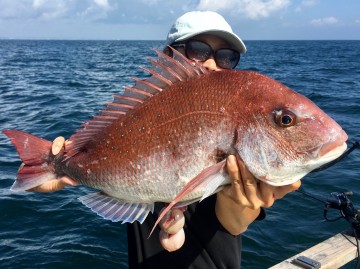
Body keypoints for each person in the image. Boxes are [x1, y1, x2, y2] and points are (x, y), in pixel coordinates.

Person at [28, 11, 301, 268]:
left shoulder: (237, 129)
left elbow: (235, 223)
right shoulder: (138, 115)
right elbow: (42, 177)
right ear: (169, 55)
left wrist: (244, 202)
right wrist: (56, 169)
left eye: (226, 57)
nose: (210, 63)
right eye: (198, 50)